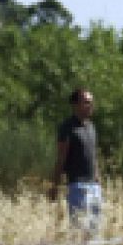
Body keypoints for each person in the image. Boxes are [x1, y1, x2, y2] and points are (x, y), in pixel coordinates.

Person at [52, 87, 101, 231]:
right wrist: (55, 186)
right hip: (77, 187)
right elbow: (61, 158)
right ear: (75, 105)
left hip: (94, 187)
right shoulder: (67, 128)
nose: (90, 105)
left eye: (91, 102)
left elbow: (93, 155)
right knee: (80, 230)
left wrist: (98, 179)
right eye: (86, 102)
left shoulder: (91, 127)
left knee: (95, 230)